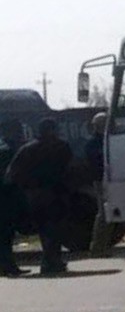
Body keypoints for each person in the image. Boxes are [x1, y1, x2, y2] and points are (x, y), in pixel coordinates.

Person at [6, 118, 72, 275]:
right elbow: (70, 169)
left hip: (33, 195)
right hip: (56, 193)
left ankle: (51, 261)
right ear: (53, 130)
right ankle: (51, 261)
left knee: (45, 228)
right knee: (55, 228)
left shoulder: (26, 149)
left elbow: (11, 174)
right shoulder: (62, 147)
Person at [0, 120, 30, 277]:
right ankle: (8, 267)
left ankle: (8, 266)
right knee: (5, 235)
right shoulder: (8, 149)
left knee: (6, 235)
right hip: (6, 196)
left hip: (7, 196)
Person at [87, 112, 114, 257]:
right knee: (103, 214)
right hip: (100, 180)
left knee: (108, 214)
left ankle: (103, 247)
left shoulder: (106, 140)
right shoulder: (93, 143)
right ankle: (97, 248)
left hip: (108, 178)